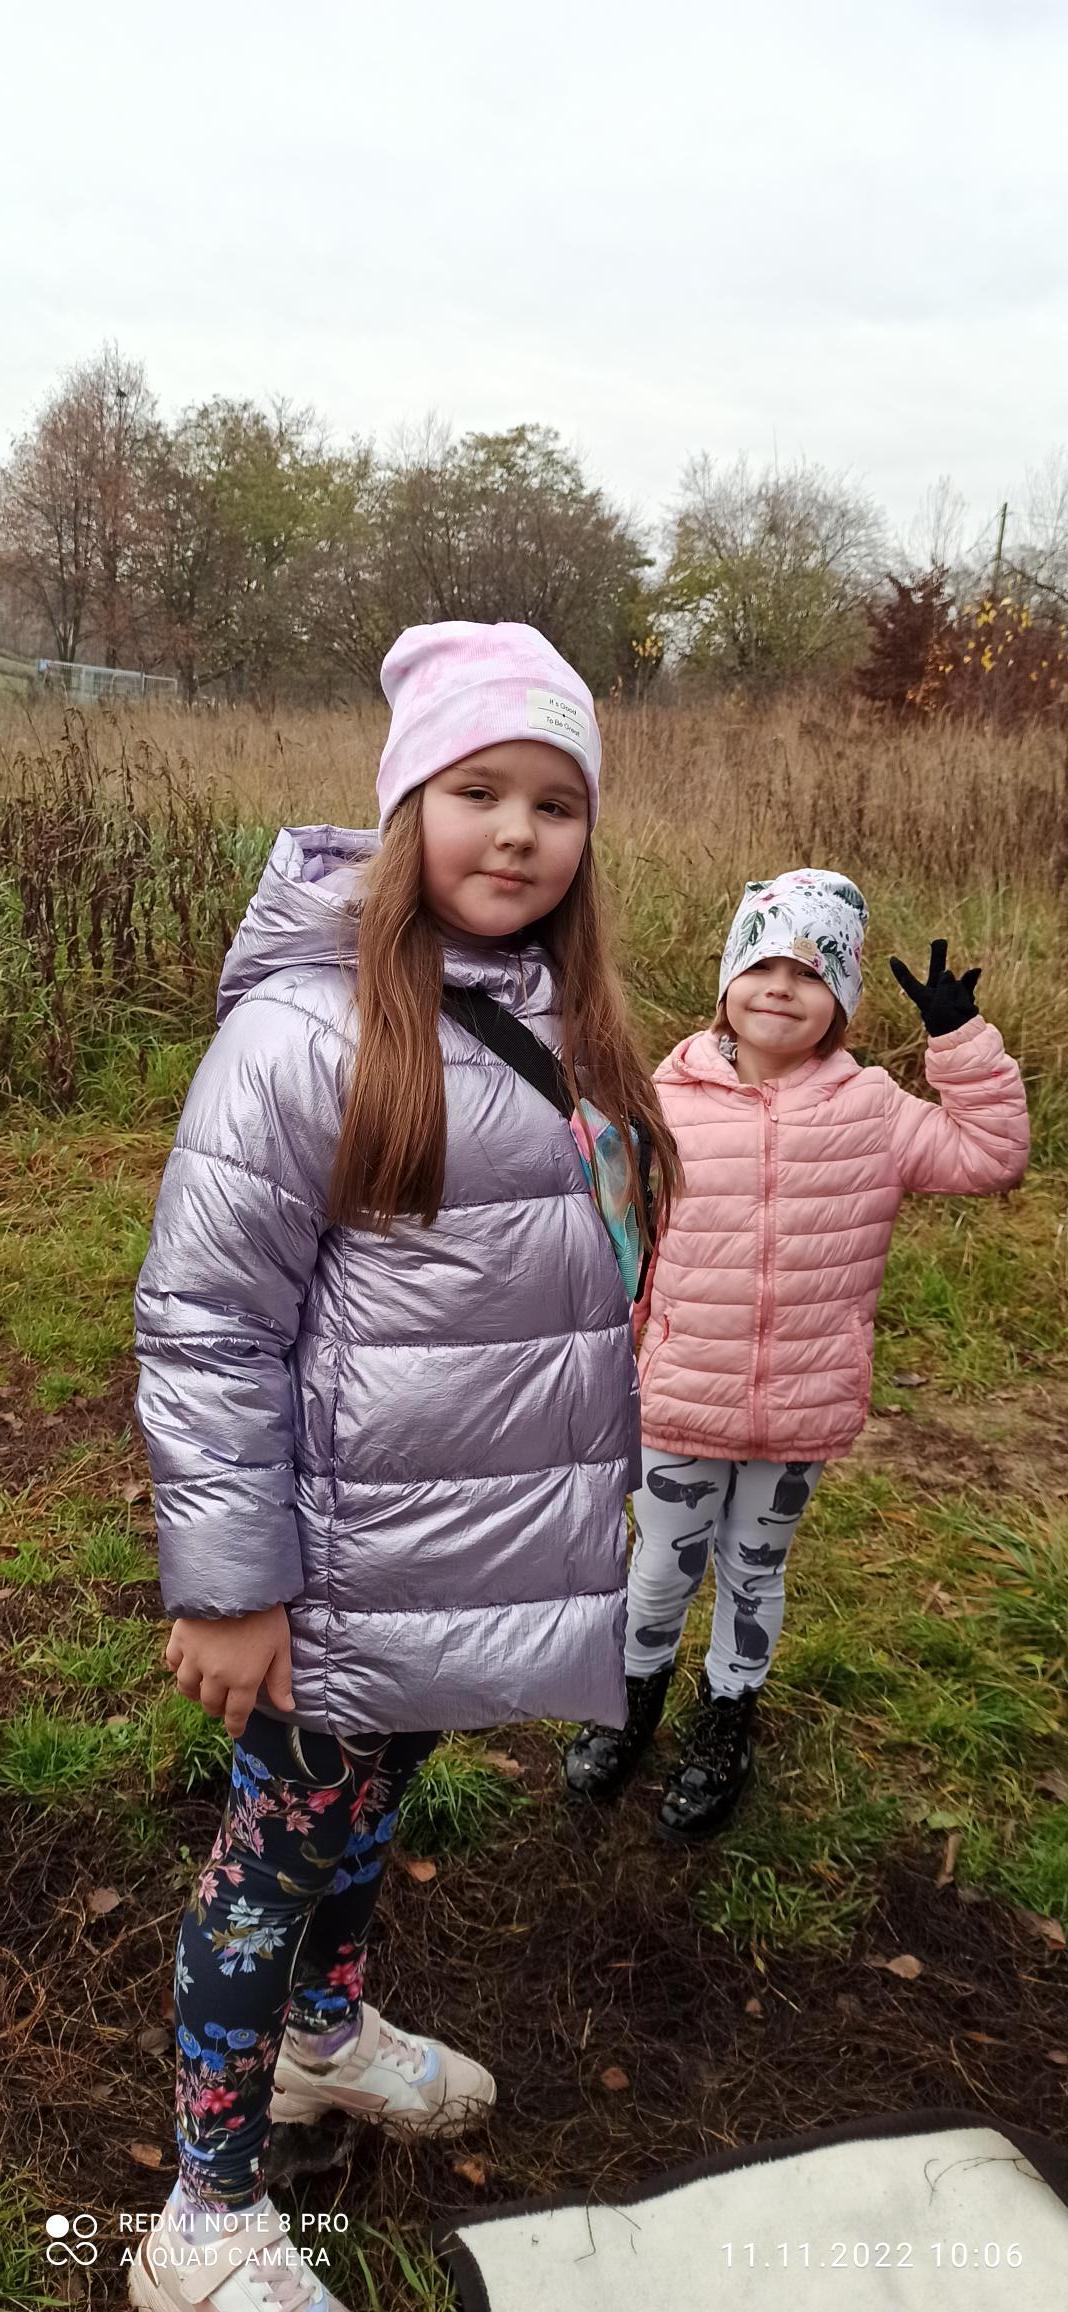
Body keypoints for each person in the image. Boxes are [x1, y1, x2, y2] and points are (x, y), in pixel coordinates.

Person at [127, 621, 678, 2312]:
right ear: (403, 809)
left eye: (555, 804)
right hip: (331, 1571)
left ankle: (321, 2036)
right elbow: (208, 1321)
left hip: (465, 1552)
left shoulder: (565, 1017)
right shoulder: (307, 1036)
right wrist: (236, 1584)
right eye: (475, 790)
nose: (517, 832)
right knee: (269, 1864)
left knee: (372, 1806)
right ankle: (202, 2214)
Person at [565, 868, 1029, 1840]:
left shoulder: (874, 1109)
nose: (782, 987)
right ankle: (628, 1705)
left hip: (802, 1408)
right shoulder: (664, 1098)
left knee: (754, 1572)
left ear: (843, 999)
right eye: (762, 964)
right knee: (659, 1569)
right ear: (728, 979)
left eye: (812, 973)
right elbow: (606, 1216)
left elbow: (992, 1155)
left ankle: (725, 1722)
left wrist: (959, 1042)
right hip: (681, 1400)